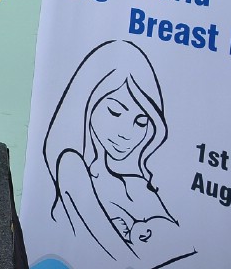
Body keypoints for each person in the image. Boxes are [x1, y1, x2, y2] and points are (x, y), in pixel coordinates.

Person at [43, 39, 195, 266]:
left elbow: (184, 245)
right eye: (115, 112)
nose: (127, 133)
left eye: (141, 122)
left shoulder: (138, 185)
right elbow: (116, 259)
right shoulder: (71, 165)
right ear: (88, 101)